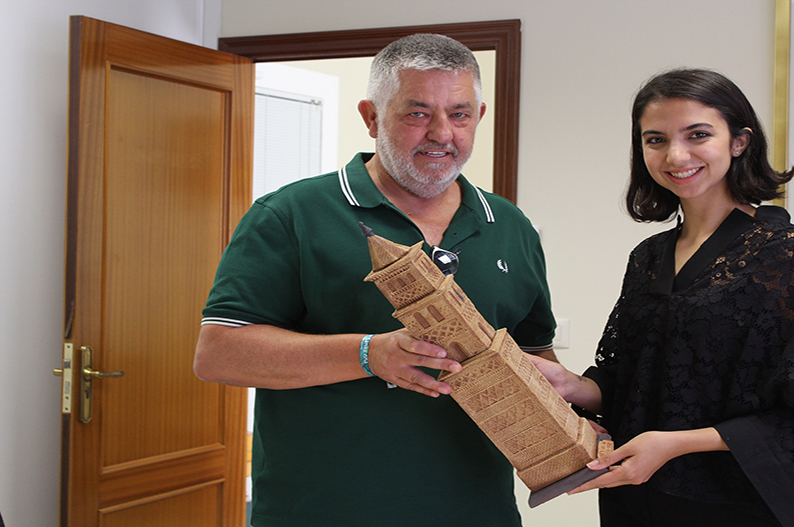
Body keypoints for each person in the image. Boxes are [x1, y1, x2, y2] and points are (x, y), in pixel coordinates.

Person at [193, 34, 557, 527]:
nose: (442, 133)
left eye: (460, 113)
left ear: (480, 116)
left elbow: (534, 352)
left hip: (478, 509)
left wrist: (567, 423)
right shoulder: (290, 215)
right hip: (323, 510)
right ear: (370, 117)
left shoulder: (510, 224)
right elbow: (219, 353)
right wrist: (369, 354)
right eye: (417, 113)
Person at [529, 68, 794, 527]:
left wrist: (674, 443)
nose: (675, 155)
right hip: (645, 497)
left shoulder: (790, 253)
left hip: (748, 502)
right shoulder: (648, 256)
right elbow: (633, 381)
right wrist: (569, 385)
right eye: (656, 139)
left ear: (739, 141)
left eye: (697, 134)